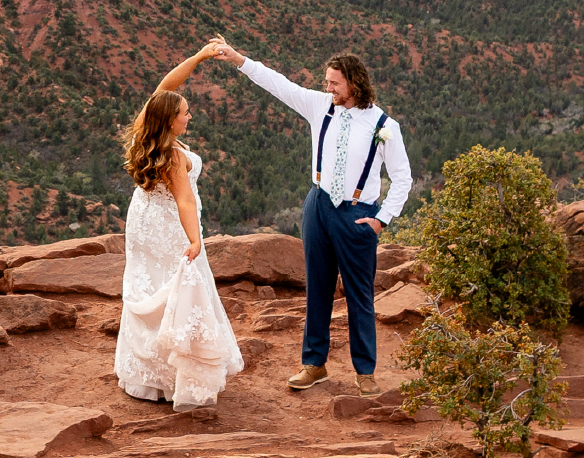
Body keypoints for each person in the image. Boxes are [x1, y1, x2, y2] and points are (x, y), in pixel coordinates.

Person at [207, 39, 411, 394]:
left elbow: (403, 177)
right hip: (317, 206)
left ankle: (366, 373)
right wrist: (240, 60)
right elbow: (279, 84)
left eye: (334, 83)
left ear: (354, 84)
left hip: (357, 213)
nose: (327, 87)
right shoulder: (320, 106)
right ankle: (314, 365)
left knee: (359, 294)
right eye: (327, 81)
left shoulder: (384, 125)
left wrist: (382, 219)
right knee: (316, 288)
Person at [114, 41, 243, 411]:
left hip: (142, 225)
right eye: (185, 113)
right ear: (170, 120)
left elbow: (166, 86)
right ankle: (174, 379)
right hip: (170, 226)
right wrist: (195, 239)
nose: (190, 117)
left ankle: (145, 376)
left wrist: (200, 57)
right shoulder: (172, 155)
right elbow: (185, 200)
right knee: (178, 289)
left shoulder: (147, 131)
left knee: (147, 285)